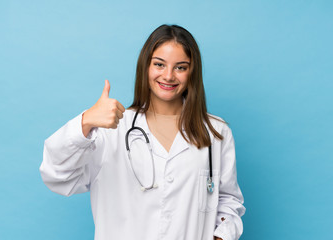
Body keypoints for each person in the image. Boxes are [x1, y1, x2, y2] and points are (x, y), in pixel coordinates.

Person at [40, 24, 245, 240]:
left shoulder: (215, 132)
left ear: (192, 72)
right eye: (159, 64)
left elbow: (228, 202)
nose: (168, 76)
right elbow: (57, 176)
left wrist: (221, 236)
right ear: (145, 66)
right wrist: (86, 121)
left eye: (180, 67)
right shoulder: (112, 129)